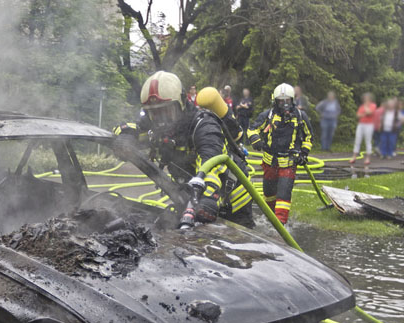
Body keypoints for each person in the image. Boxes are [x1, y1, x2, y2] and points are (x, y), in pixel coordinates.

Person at [116, 71, 254, 228]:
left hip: (232, 200)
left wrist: (208, 197)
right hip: (194, 196)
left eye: (166, 112)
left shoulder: (203, 126)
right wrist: (126, 136)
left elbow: (211, 163)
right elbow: (127, 128)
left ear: (181, 103)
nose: (161, 121)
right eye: (155, 113)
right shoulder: (154, 126)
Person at [246, 83, 313, 225]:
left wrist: (304, 153)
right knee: (269, 196)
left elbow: (309, 137)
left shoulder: (300, 116)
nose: (284, 105)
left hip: (289, 163)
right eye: (281, 101)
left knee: (283, 196)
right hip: (270, 163)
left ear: (292, 100)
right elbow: (252, 129)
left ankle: (280, 226)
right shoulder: (268, 115)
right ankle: (270, 221)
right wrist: (255, 140)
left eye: (287, 101)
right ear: (275, 101)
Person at [350, 93, 376, 165]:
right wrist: (365, 113)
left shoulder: (373, 105)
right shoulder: (361, 106)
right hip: (361, 124)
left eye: (367, 98)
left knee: (368, 141)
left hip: (369, 125)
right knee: (357, 140)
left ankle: (368, 158)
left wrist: (366, 109)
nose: (365, 99)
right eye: (364, 98)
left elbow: (369, 112)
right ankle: (354, 157)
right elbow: (358, 115)